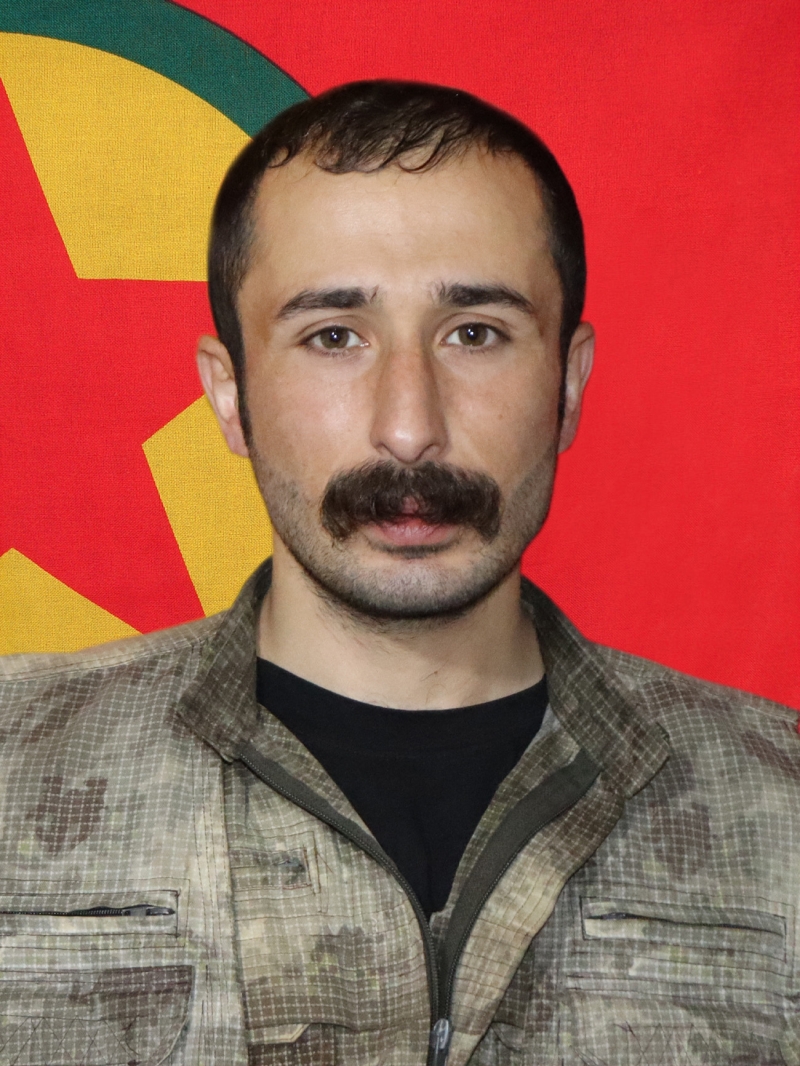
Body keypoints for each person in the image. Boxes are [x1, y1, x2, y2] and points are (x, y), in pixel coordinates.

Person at [0, 80, 797, 1066]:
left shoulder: (782, 808)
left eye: (475, 333)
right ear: (229, 394)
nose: (409, 427)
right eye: (333, 337)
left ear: (568, 383)